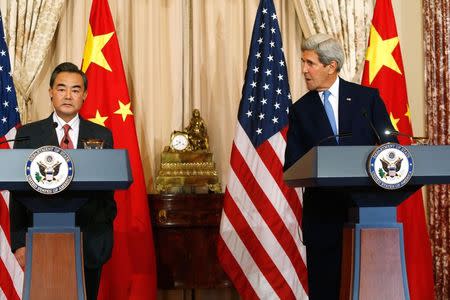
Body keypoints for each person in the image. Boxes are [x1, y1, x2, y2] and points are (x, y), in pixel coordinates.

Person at [284, 34, 397, 299]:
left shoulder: (366, 99)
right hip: (323, 219)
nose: (303, 70)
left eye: (310, 63)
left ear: (331, 66)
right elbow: (292, 167)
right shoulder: (300, 110)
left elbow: (390, 146)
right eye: (303, 62)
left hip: (368, 215)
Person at [9, 62, 116, 300]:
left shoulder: (101, 135)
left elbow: (107, 193)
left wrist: (101, 232)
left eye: (76, 90)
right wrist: (19, 242)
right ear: (50, 92)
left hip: (90, 244)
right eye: (61, 88)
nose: (68, 96)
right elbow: (17, 195)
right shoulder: (28, 135)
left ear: (84, 95)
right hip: (40, 242)